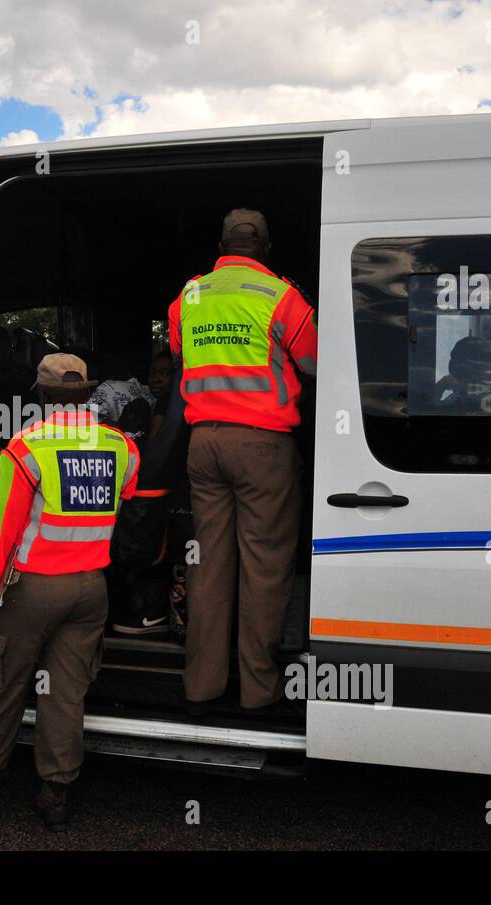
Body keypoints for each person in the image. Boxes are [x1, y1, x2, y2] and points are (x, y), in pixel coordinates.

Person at [0, 353, 139, 831]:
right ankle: (56, 794)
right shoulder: (122, 447)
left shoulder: (26, 447)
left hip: (33, 589)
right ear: (88, 391)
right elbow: (126, 500)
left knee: (6, 684)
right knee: (67, 693)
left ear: (45, 395)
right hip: (92, 589)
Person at [167, 208, 317, 715]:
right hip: (262, 446)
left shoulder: (188, 296)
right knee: (265, 567)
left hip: (202, 442)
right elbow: (317, 363)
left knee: (209, 565)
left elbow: (180, 355)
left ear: (222, 246)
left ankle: (202, 684)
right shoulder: (281, 295)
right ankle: (259, 688)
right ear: (266, 248)